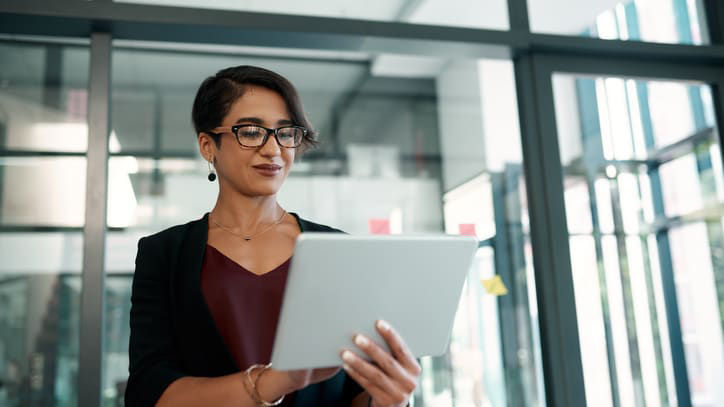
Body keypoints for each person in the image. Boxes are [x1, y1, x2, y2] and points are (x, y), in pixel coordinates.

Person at [125, 65, 421, 407]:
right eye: (251, 132)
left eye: (285, 133)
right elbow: (149, 391)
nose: (273, 149)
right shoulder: (164, 253)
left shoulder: (338, 250)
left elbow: (355, 391)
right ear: (208, 145)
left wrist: (392, 398)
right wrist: (275, 381)